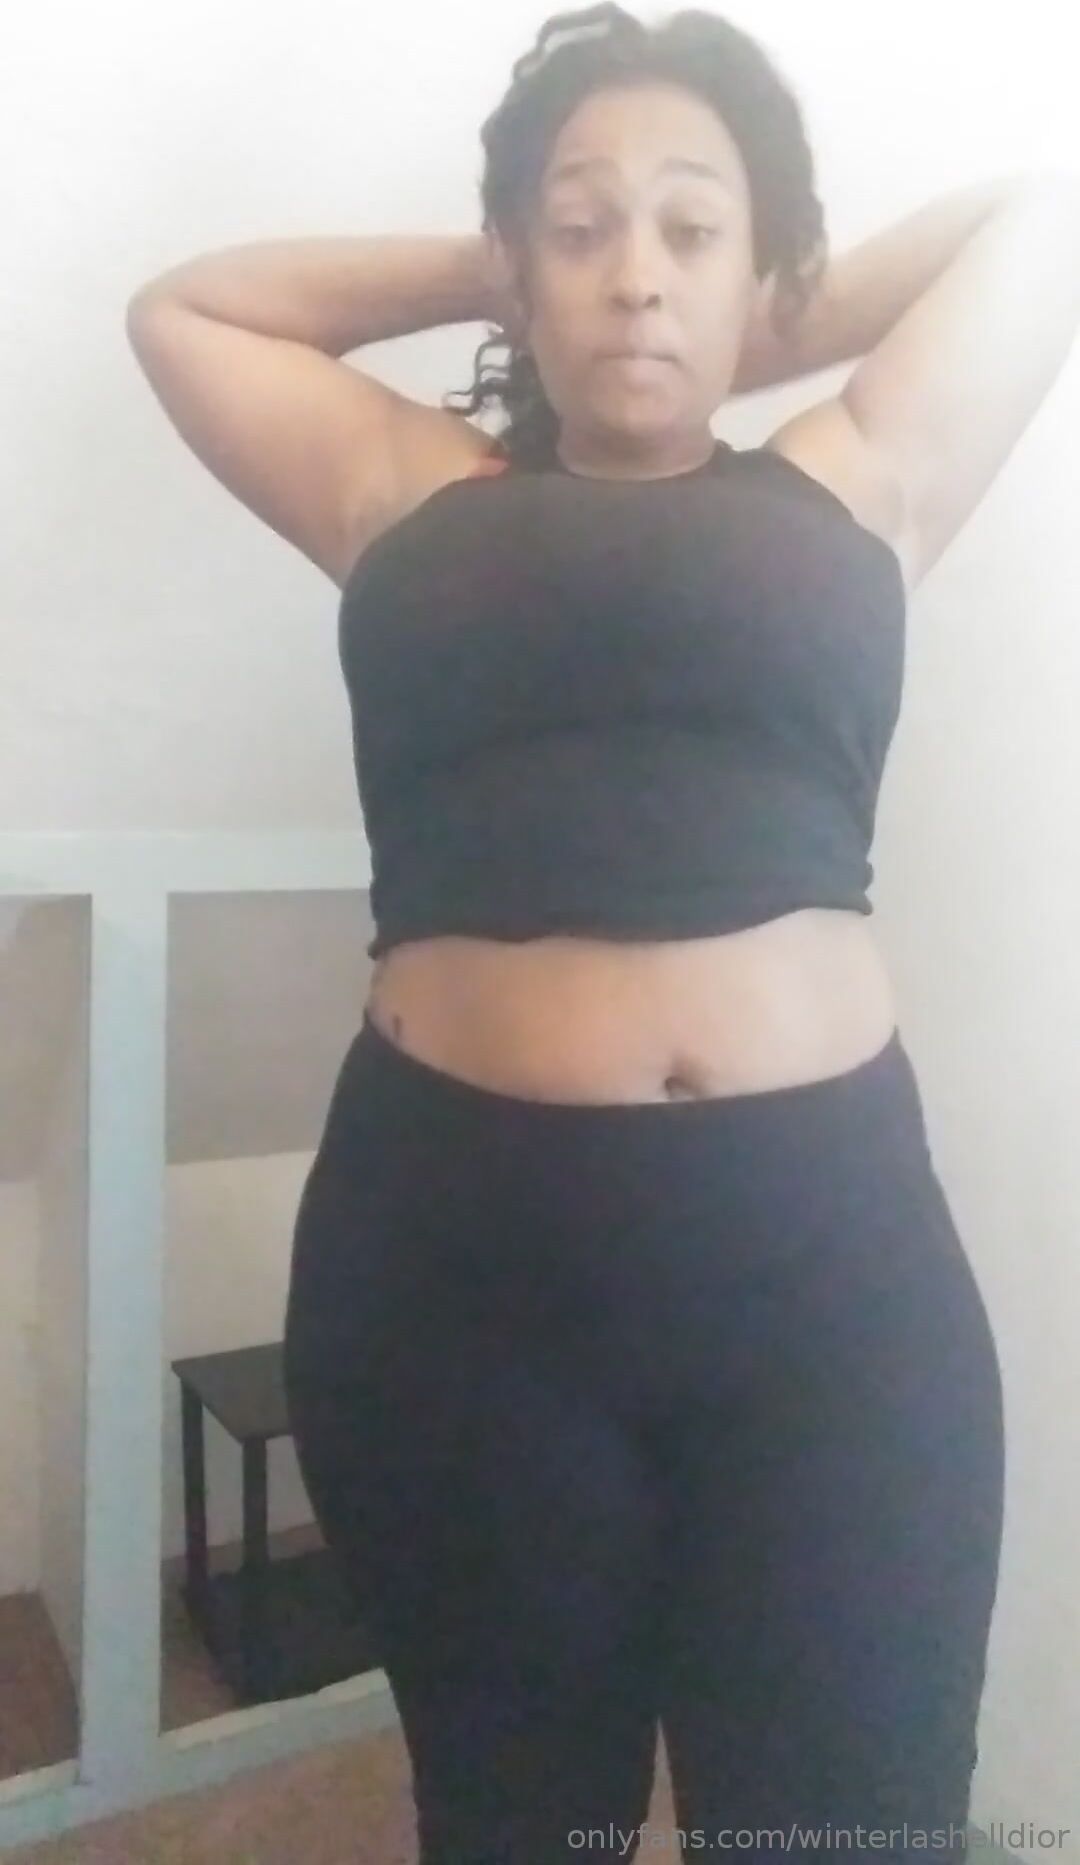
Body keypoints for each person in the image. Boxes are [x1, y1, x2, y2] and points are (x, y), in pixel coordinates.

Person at [126, 6, 1080, 1858]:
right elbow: (185, 312)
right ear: (519, 265)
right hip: (458, 1286)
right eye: (581, 229)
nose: (633, 271)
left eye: (688, 227)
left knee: (842, 1832)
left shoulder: (857, 477)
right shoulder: (404, 487)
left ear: (763, 268)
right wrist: (514, 272)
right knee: (518, 1825)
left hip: (829, 1295)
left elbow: (1038, 219)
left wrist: (741, 305)